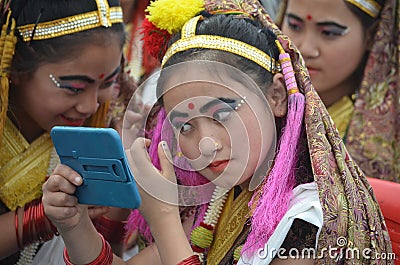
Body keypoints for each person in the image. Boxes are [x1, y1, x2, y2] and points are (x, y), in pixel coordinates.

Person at [42, 0, 393, 264]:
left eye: (223, 112)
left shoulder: (312, 219)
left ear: (275, 96)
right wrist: (75, 227)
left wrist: (163, 218)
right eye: (185, 125)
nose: (205, 145)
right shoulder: (221, 198)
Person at [0, 0, 132, 263]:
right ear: (14, 67)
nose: (90, 105)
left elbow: (111, 253)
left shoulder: (107, 132)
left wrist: (114, 210)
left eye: (108, 82)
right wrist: (46, 216)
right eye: (73, 87)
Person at [277, 0, 399, 182]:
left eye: (328, 33)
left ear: (372, 36)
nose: (305, 49)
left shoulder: (388, 139)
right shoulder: (256, 108)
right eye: (295, 26)